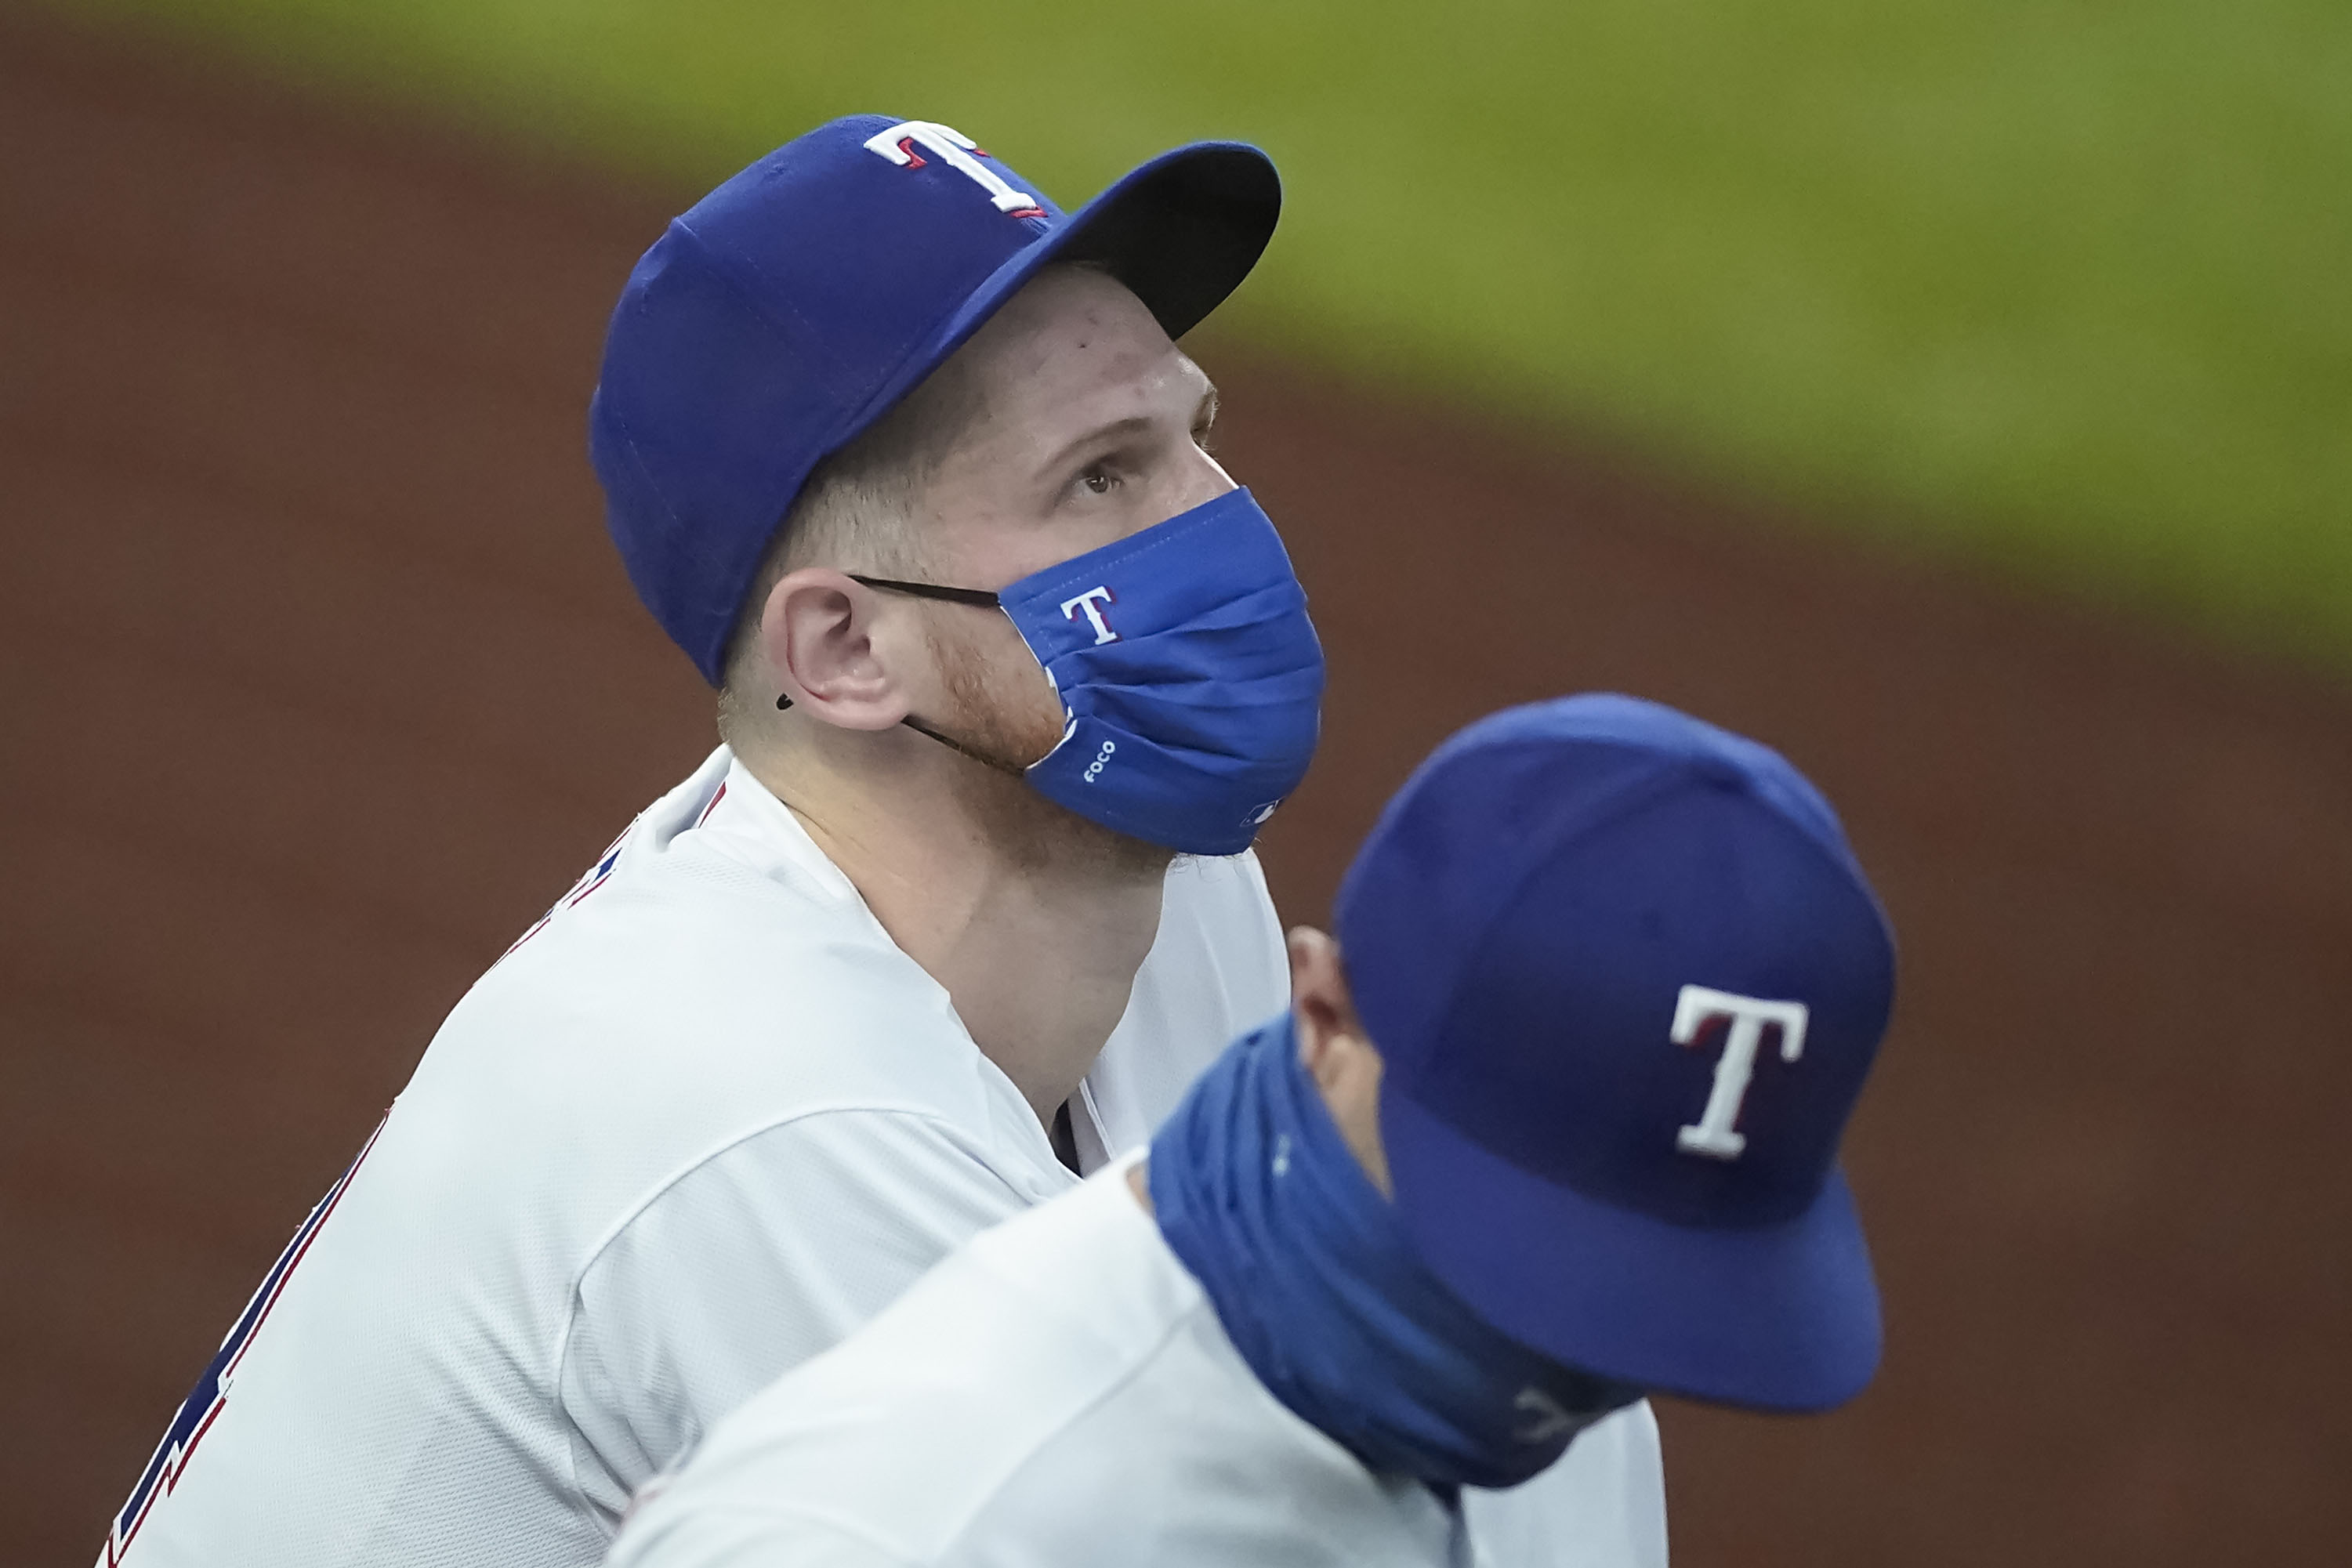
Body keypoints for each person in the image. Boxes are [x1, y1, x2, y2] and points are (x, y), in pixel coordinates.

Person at [96, 119, 1657, 1566]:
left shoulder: (1157, 883)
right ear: (844, 650)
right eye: (1102, 477)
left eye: (1195, 433)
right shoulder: (771, 1113)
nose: (1222, 518)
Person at [606, 694, 1899, 1568]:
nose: (1577, 1349)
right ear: (1323, 1014)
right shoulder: (918, 1518)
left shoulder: (1568, 1379)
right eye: (1525, 1232)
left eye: (1638, 1275)